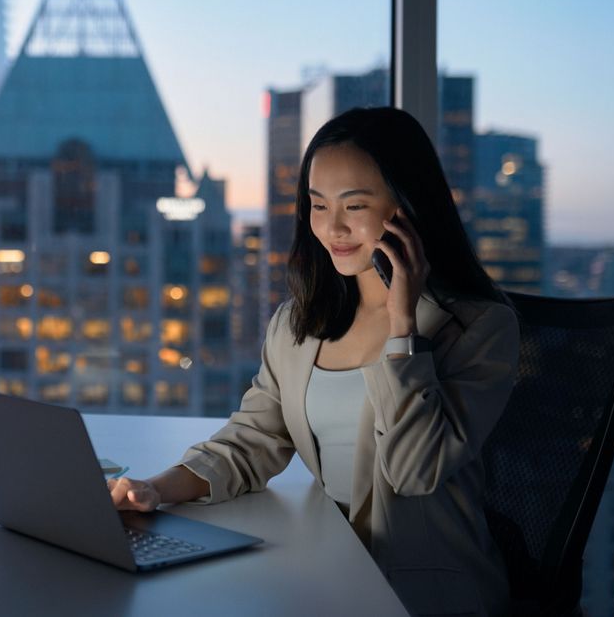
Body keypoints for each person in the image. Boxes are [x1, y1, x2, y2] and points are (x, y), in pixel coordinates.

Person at [108, 106, 518, 616]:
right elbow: (252, 440)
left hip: (423, 592)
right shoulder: (299, 323)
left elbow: (414, 472)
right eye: (318, 205)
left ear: (407, 207)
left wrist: (402, 324)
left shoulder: (478, 328)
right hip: (324, 565)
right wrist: (155, 488)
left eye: (356, 205)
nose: (333, 228)